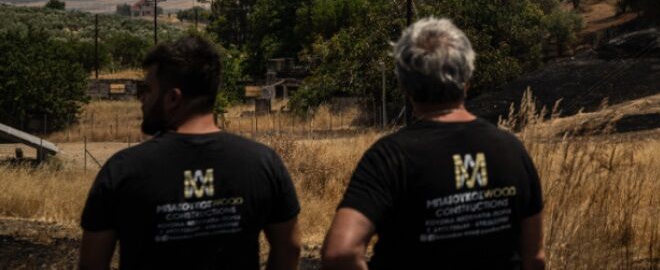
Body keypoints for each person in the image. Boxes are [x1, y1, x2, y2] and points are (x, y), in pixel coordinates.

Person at [321, 17, 546, 270]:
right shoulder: (512, 150)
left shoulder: (389, 157)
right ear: (467, 78)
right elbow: (535, 257)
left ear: (404, 85)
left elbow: (340, 253)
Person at [79, 35, 302, 270]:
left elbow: (92, 263)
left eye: (149, 90)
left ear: (173, 98)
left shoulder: (122, 170)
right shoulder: (262, 163)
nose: (142, 99)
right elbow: (290, 247)